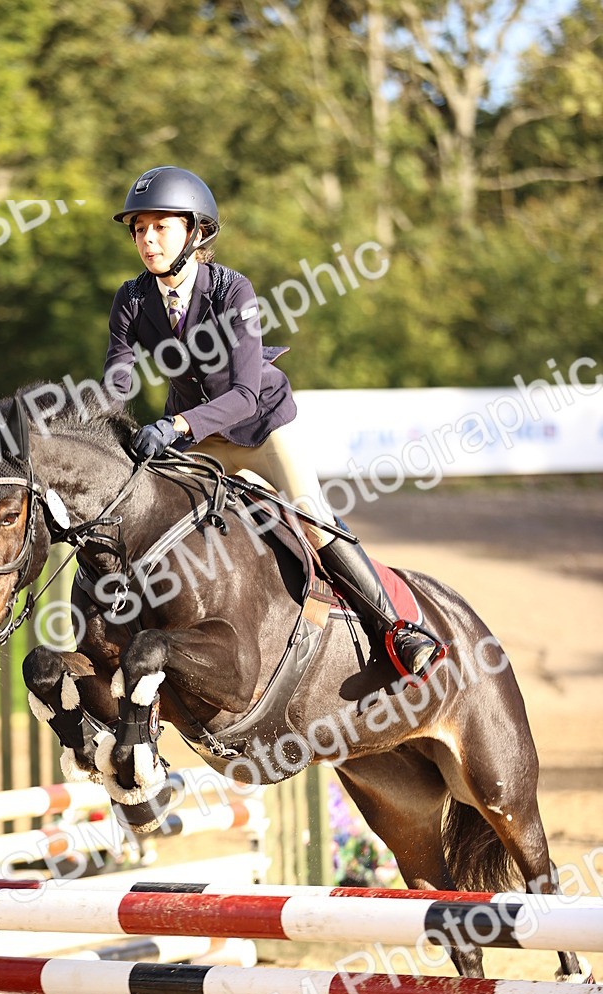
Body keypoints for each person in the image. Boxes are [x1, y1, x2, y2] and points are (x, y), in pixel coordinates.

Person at [102, 165, 443, 678]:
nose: (147, 240)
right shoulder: (132, 298)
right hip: (199, 440)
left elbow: (242, 395)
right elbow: (117, 379)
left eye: (160, 227)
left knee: (311, 515)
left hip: (260, 429)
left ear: (195, 231)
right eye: (139, 230)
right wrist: (105, 420)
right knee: (154, 519)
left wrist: (172, 429)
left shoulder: (233, 291)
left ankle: (396, 629)